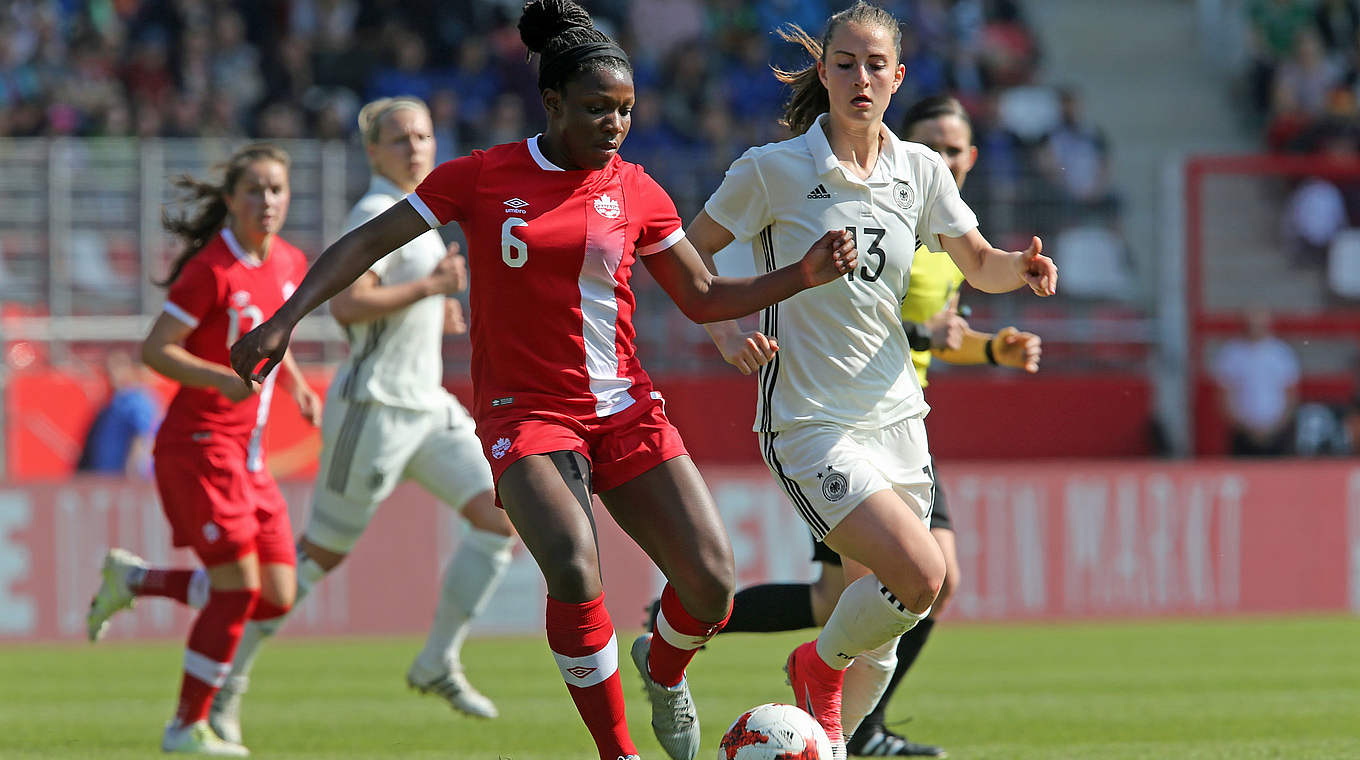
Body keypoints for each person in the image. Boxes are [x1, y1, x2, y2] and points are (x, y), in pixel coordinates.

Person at [226, 3, 858, 759]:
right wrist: (285, 318)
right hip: (523, 414)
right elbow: (368, 239)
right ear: (552, 102)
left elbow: (700, 298)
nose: (614, 123)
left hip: (624, 409)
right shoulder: (484, 176)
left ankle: (662, 669)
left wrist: (800, 275)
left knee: (712, 586)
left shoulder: (639, 191)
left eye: (625, 109)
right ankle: (618, 752)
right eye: (596, 108)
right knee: (571, 561)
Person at [685, 5, 1057, 757]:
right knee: (921, 576)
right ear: (822, 73)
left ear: (898, 77)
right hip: (811, 422)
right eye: (846, 63)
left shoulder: (918, 169)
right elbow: (688, 255)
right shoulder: (773, 168)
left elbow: (976, 261)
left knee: (886, 620)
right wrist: (726, 328)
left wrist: (1016, 268)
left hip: (899, 419)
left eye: (875, 65)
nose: (861, 78)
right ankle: (812, 664)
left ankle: (828, 741)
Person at [207, 96, 520, 745]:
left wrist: (432, 312)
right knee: (314, 561)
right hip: (373, 409)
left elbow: (394, 302)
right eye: (400, 139)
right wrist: (430, 291)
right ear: (373, 152)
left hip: (427, 405)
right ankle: (223, 687)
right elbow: (349, 306)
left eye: (424, 136)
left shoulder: (421, 216)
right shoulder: (375, 213)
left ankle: (438, 658)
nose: (415, 148)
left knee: (502, 515)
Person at [85, 143, 322, 756]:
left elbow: (275, 329)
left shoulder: (290, 260)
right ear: (231, 200)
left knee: (277, 593)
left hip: (248, 454)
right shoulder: (211, 270)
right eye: (254, 190)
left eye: (276, 190)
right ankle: (184, 727)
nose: (267, 201)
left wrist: (293, 383)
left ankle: (136, 581)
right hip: (198, 449)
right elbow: (154, 350)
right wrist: (218, 377)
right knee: (237, 590)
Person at [1212, 308, 1300, 456]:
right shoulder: (1231, 354)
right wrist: (1243, 426)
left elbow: (1291, 395)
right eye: (1251, 324)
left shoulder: (1281, 353)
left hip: (1277, 430)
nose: (1255, 329)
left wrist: (1277, 425)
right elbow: (1224, 396)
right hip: (1242, 431)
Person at [76, 348, 162, 478]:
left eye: (118, 367)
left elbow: (142, 436)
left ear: (130, 369)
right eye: (109, 368)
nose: (112, 373)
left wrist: (133, 470)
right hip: (106, 477)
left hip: (126, 479)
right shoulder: (111, 403)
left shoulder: (137, 400)